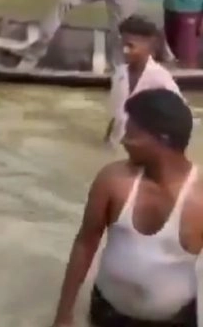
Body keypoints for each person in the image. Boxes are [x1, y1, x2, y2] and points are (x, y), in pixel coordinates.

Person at [51, 88, 201, 327]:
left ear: (162, 139)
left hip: (177, 320)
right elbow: (85, 242)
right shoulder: (112, 180)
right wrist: (63, 315)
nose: (122, 140)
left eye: (131, 134)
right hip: (109, 313)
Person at [106, 15, 183, 146]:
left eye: (130, 46)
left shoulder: (160, 78)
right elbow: (117, 115)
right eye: (122, 45)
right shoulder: (120, 74)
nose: (124, 50)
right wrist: (107, 141)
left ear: (150, 45)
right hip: (119, 144)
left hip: (145, 150)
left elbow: (180, 116)